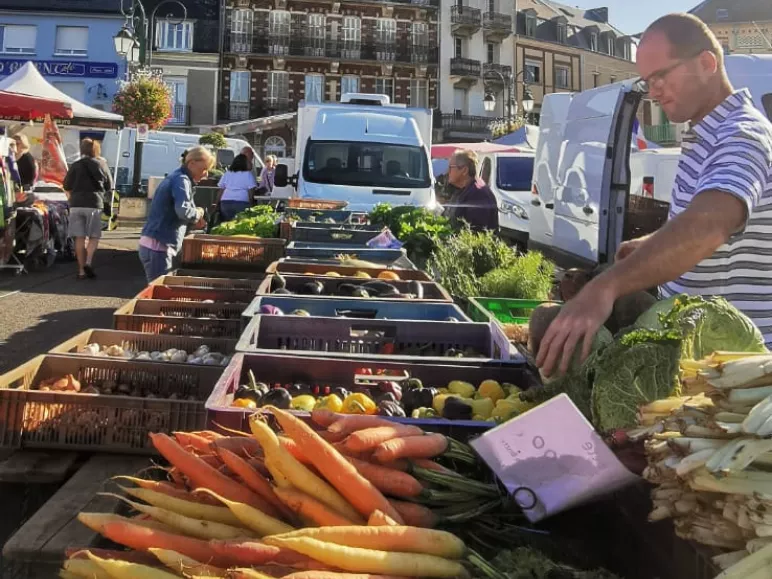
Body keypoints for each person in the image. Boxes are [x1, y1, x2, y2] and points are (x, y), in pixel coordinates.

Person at [536, 12, 772, 378]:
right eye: (648, 81)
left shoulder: (742, 135)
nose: (654, 91)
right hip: (702, 366)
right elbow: (707, 228)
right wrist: (650, 244)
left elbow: (709, 226)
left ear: (707, 63)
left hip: (739, 376)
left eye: (661, 75)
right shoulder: (703, 136)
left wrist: (605, 287)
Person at [138, 146, 212, 282]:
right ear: (192, 163)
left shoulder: (177, 177)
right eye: (204, 169)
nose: (205, 174)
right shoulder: (181, 180)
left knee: (159, 288)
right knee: (160, 291)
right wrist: (199, 213)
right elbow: (183, 211)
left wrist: (193, 221)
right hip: (159, 247)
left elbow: (175, 212)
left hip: (155, 244)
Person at [62, 138, 113, 280]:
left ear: (82, 149)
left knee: (79, 238)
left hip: (76, 204)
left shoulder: (75, 165)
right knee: (94, 236)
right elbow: (109, 186)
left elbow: (66, 185)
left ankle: (81, 271)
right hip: (94, 204)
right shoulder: (101, 164)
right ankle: (88, 262)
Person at [442, 149, 498, 232]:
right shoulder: (465, 189)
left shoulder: (478, 194)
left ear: (464, 170)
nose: (447, 172)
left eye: (451, 167)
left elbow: (475, 232)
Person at [216, 153, 257, 220]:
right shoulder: (248, 174)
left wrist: (217, 203)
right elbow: (251, 192)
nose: (251, 163)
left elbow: (221, 190)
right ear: (244, 163)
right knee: (240, 224)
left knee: (227, 223)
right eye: (249, 162)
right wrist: (251, 204)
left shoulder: (227, 173)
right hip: (242, 202)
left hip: (225, 202)